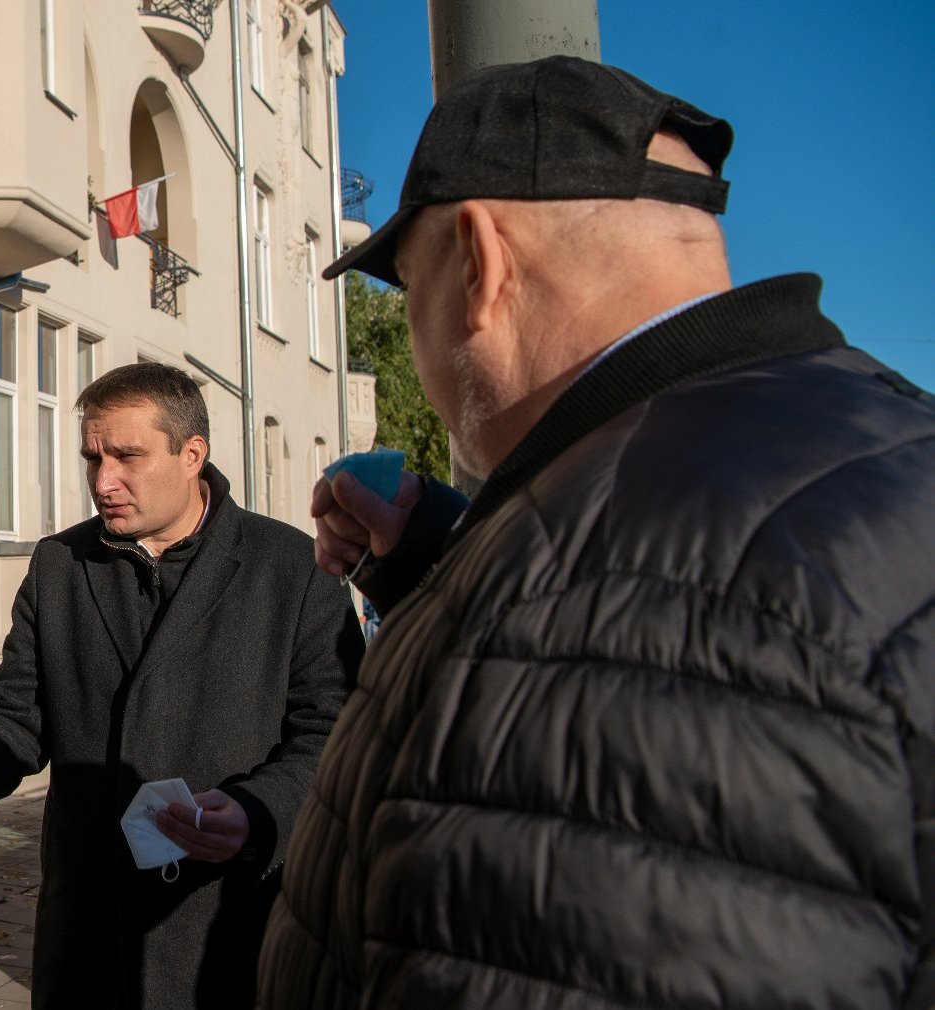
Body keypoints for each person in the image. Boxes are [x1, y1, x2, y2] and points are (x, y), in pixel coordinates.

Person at [258, 56, 935, 1008]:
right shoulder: (863, 443)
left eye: (409, 291)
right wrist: (436, 561)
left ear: (483, 262)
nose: (414, 332)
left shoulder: (600, 597)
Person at [0, 362, 363, 1009]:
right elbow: (20, 713)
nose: (103, 480)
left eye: (127, 456)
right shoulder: (60, 563)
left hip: (231, 929)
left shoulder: (292, 567)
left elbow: (336, 737)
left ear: (191, 455)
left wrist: (259, 812)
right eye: (93, 457)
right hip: (93, 936)